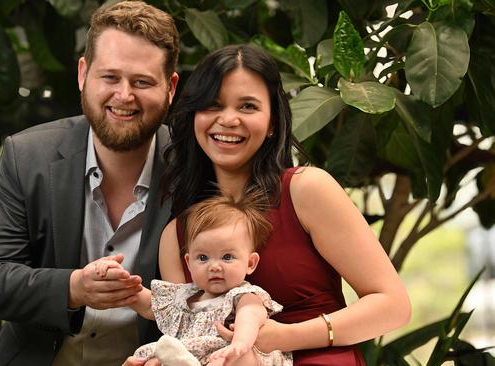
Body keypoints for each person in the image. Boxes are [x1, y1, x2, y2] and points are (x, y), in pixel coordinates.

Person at [125, 44, 411, 366]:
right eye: (213, 105)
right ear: (194, 117)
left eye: (247, 106)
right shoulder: (177, 234)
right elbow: (187, 341)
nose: (228, 119)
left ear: (273, 120)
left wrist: (284, 336)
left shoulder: (306, 190)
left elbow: (393, 305)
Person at [0, 1, 180, 365]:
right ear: (83, 74)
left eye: (142, 82)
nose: (124, 95)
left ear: (171, 87)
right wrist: (73, 288)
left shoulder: (192, 165)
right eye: (109, 77)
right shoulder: (28, 155)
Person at [97, 194, 292, 365]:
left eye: (227, 257)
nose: (214, 266)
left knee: (238, 360)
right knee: (152, 360)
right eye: (203, 258)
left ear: (250, 263)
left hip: (230, 353)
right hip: (187, 356)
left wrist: (240, 343)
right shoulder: (183, 296)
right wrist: (121, 280)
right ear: (189, 263)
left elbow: (250, 318)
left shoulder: (243, 296)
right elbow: (148, 304)